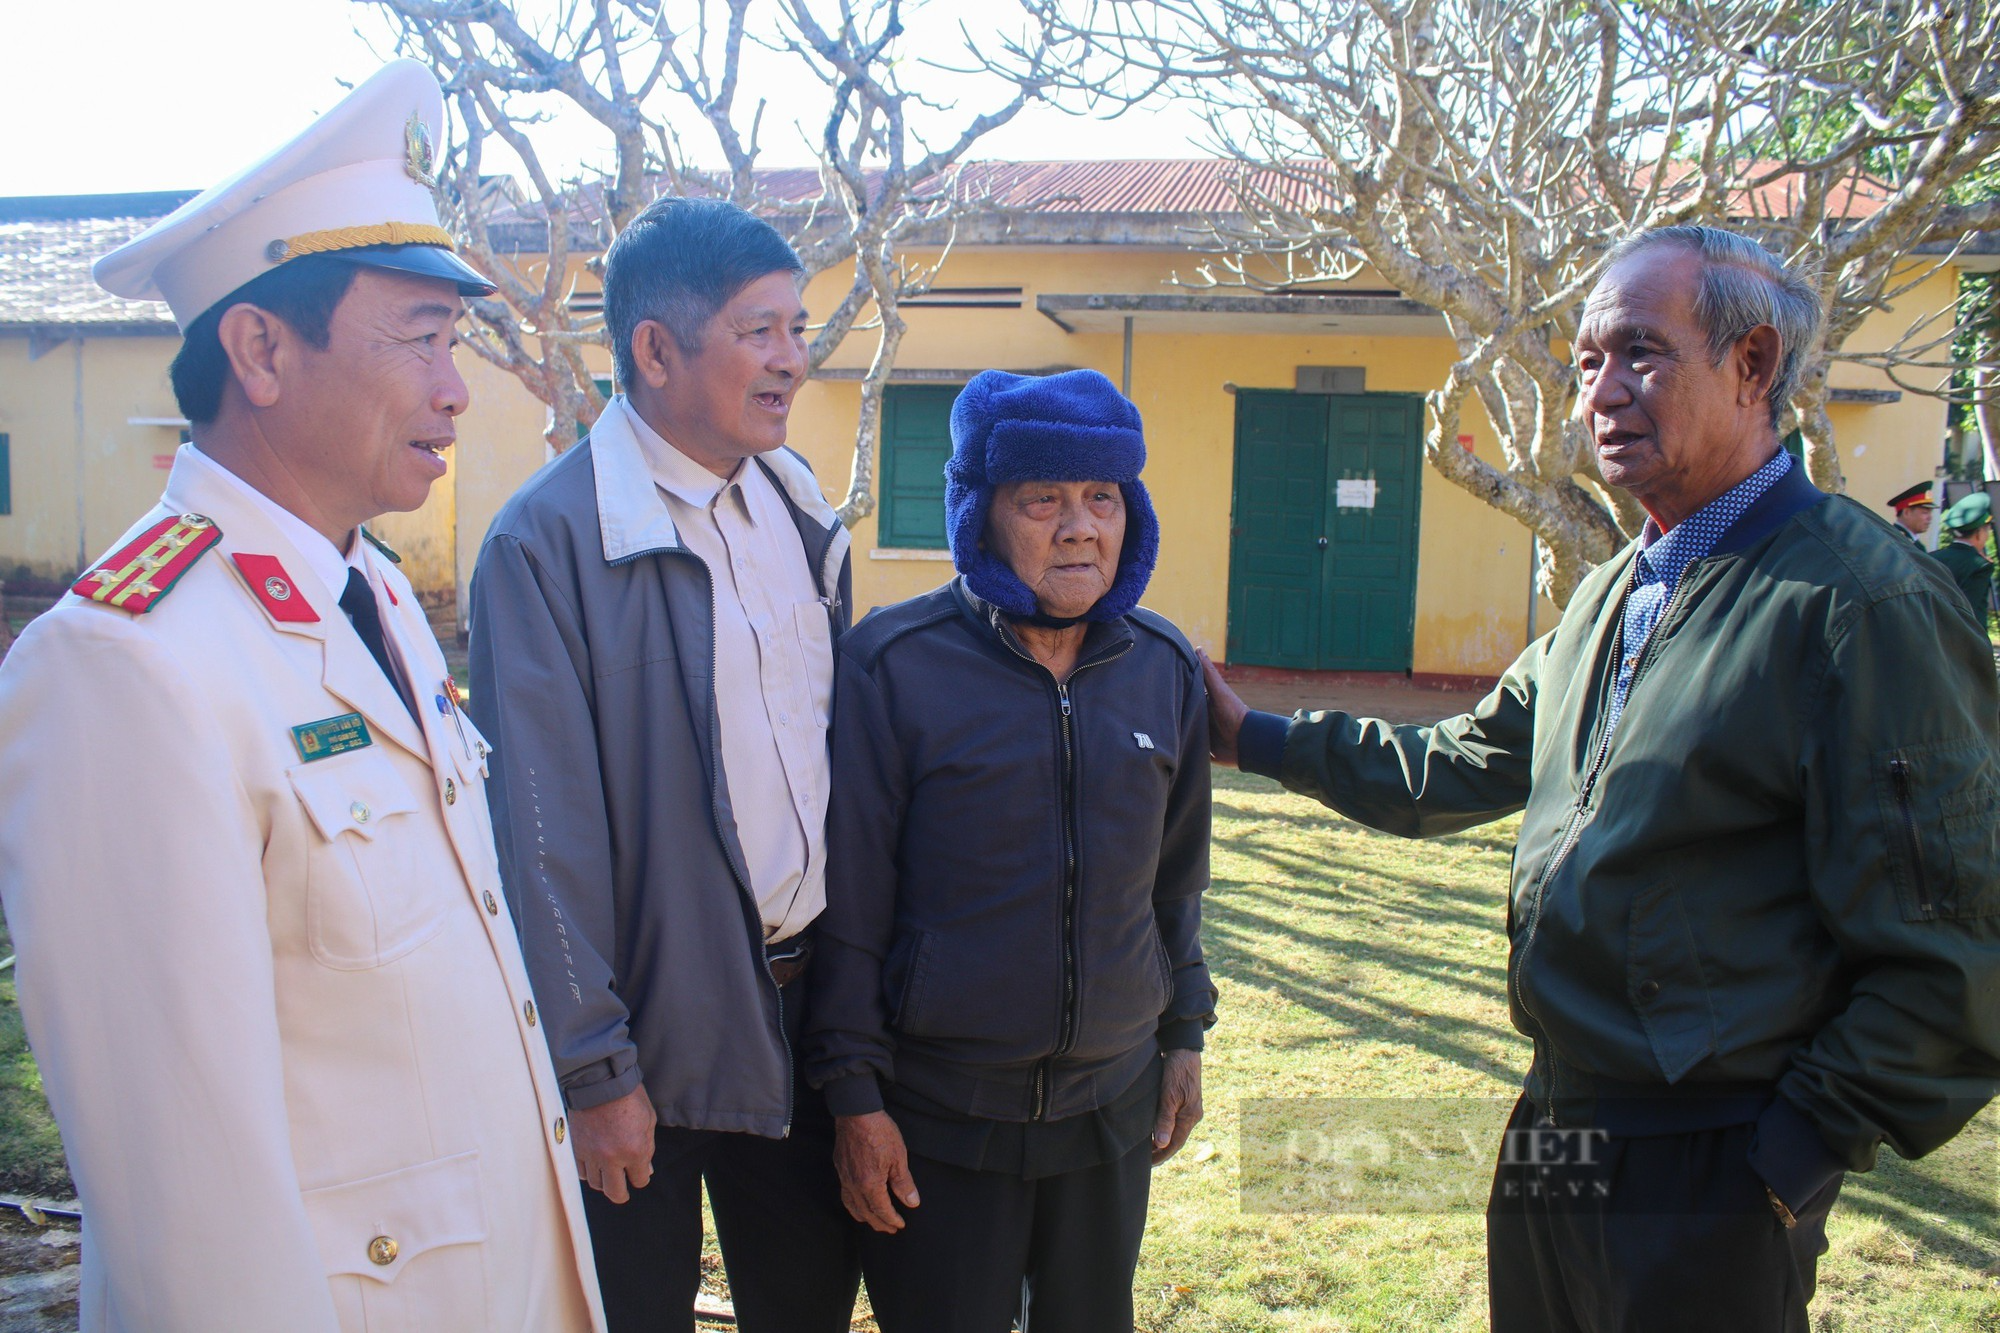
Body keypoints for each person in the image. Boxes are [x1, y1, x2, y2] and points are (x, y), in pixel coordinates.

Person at [1204, 225, 2000, 1333]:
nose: (1600, 394)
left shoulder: (1860, 607)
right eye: (1584, 362)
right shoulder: (1618, 587)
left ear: (1753, 365)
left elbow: (1954, 952)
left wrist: (1788, 1158)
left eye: (1638, 352)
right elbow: (1466, 758)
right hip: (1558, 1125)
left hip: (1710, 1157)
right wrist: (1256, 738)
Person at [0, 61, 603, 1330]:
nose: (455, 388)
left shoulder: (368, 593)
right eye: (422, 340)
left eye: (457, 342)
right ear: (261, 348)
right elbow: (188, 1202)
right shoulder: (126, 666)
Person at [466, 196, 859, 1332]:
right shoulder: (547, 543)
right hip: (645, 1041)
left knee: (805, 1308)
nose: (792, 360)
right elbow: (540, 835)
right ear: (653, 350)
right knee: (635, 1313)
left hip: (799, 1013)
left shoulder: (793, 509)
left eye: (797, 326)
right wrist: (592, 1070)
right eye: (759, 331)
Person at [805, 369, 1216, 1333]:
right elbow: (853, 909)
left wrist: (1184, 1033)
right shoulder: (893, 666)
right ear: (982, 514)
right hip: (942, 1119)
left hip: (1110, 1112)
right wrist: (856, 1099)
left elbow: (1176, 882)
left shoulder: (1162, 669)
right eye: (1044, 499)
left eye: (1102, 498)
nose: (1081, 528)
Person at [1933, 491, 1994, 620]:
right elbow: (1969, 611)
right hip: (1965, 638)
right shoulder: (1980, 566)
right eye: (1986, 531)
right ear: (1978, 533)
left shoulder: (1932, 558)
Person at [1887, 480, 1937, 547]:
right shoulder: (1898, 542)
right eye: (1925, 512)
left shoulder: (1909, 541)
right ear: (1907, 513)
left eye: (1930, 513)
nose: (1930, 518)